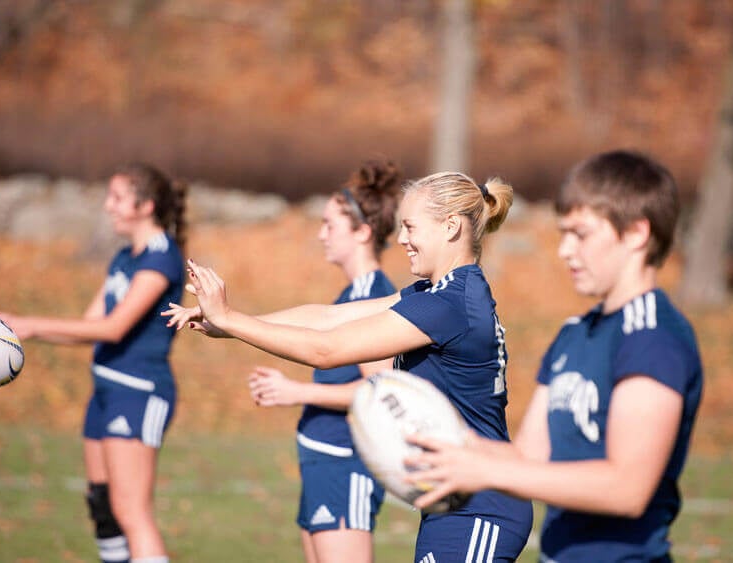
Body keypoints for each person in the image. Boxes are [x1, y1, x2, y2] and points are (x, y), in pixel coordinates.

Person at [164, 171, 534, 562]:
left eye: (410, 227)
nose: (402, 239)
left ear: (451, 227)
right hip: (460, 502)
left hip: (480, 506)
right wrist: (229, 323)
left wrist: (232, 322)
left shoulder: (448, 304)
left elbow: (326, 349)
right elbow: (328, 318)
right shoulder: (439, 294)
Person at [404, 150, 704, 562]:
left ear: (636, 233)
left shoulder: (654, 337)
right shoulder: (573, 335)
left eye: (580, 234)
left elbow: (627, 489)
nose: (564, 250)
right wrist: (453, 448)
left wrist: (485, 470)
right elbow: (528, 457)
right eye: (563, 233)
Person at [0, 163, 187, 563]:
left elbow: (114, 328)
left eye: (117, 197)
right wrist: (11, 331)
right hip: (105, 392)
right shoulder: (124, 258)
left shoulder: (162, 258)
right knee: (103, 506)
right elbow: (88, 327)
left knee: (132, 512)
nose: (108, 206)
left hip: (138, 394)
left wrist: (31, 325)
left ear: (145, 205)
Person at [242, 160, 402, 563]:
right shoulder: (350, 296)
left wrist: (295, 391)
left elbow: (379, 390)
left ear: (363, 232)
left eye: (330, 225)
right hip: (321, 463)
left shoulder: (375, 297)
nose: (320, 234)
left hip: (345, 465)